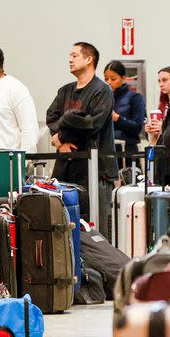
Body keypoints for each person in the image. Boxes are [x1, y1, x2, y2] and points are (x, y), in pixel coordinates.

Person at [46, 42, 116, 240]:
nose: (70, 59)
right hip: (66, 168)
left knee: (95, 227)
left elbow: (92, 124)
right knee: (65, 222)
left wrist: (61, 136)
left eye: (75, 55)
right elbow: (52, 118)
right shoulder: (64, 91)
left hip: (94, 169)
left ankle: (99, 270)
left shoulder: (102, 91)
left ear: (89, 59)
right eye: (69, 55)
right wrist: (62, 143)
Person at [103, 60, 145, 154]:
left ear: (123, 78)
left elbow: (137, 127)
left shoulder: (135, 98)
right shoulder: (103, 99)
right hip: (107, 151)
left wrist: (118, 119)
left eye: (113, 79)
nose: (109, 82)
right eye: (106, 79)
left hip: (127, 151)